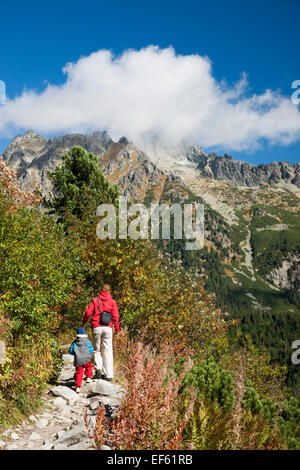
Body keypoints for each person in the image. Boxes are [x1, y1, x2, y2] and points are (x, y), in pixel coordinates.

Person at [82, 284, 119, 381]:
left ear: (101, 290)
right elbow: (115, 316)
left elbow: (88, 313)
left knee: (97, 349)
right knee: (107, 351)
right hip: (108, 328)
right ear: (109, 291)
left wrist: (83, 323)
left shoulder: (95, 300)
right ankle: (108, 375)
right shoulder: (112, 302)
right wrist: (117, 329)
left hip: (96, 327)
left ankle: (98, 368)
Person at [69, 326, 94, 393]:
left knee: (79, 372)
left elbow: (71, 351)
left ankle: (78, 387)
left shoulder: (75, 342)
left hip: (78, 359)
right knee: (89, 367)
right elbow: (91, 350)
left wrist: (75, 353)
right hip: (87, 358)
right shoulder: (87, 341)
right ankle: (88, 377)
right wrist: (89, 354)